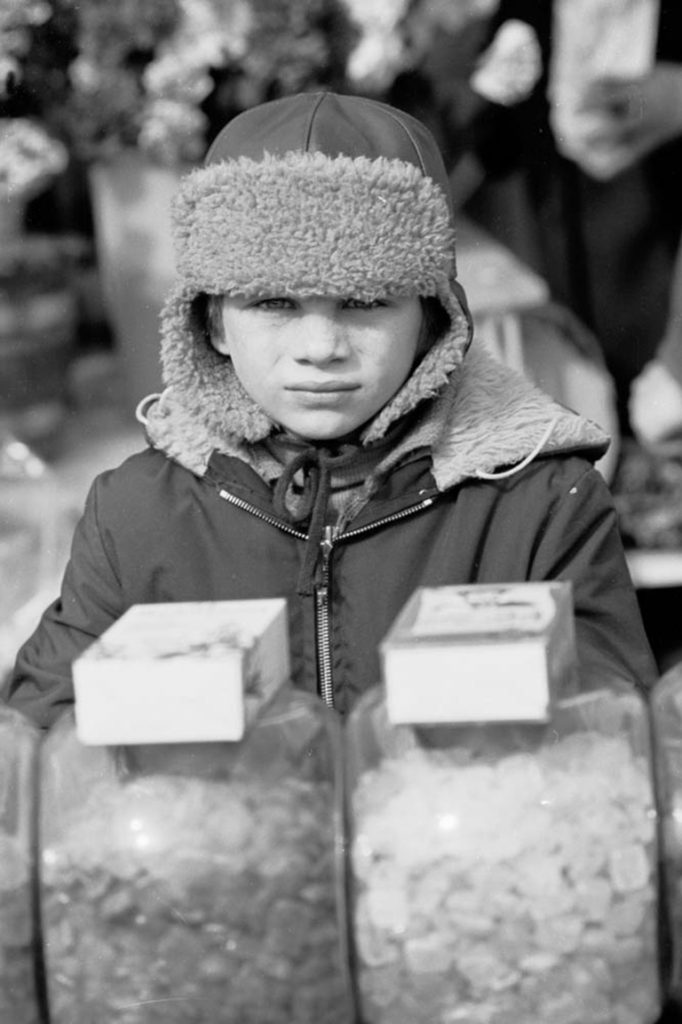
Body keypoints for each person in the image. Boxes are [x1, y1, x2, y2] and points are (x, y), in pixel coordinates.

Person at [3, 90, 657, 729]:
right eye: (274, 304)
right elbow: (41, 744)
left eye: (365, 303)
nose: (320, 349)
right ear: (213, 324)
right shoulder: (136, 515)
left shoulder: (541, 504)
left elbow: (609, 736)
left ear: (434, 319)